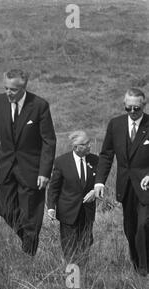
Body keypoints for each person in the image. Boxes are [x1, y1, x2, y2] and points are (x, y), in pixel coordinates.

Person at [0, 69, 56, 256]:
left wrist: (44, 172)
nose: (8, 92)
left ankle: (28, 255)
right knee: (5, 210)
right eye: (6, 88)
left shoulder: (39, 105)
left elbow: (49, 141)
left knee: (31, 214)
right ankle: (28, 239)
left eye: (13, 90)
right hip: (6, 167)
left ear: (23, 88)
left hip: (32, 170)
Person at [94, 87, 149, 276]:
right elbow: (106, 155)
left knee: (144, 225)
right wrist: (99, 182)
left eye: (137, 109)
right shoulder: (115, 125)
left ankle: (144, 268)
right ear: (124, 106)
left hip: (146, 186)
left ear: (144, 105)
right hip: (125, 187)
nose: (133, 112)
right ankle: (136, 265)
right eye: (129, 108)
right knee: (130, 228)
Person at [47, 131, 98, 265]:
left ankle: (83, 279)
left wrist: (94, 191)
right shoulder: (61, 162)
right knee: (70, 248)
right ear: (76, 147)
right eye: (85, 144)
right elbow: (53, 188)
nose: (89, 145)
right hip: (68, 212)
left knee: (85, 246)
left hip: (87, 213)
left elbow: (100, 182)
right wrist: (51, 208)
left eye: (89, 142)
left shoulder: (95, 160)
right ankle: (72, 283)